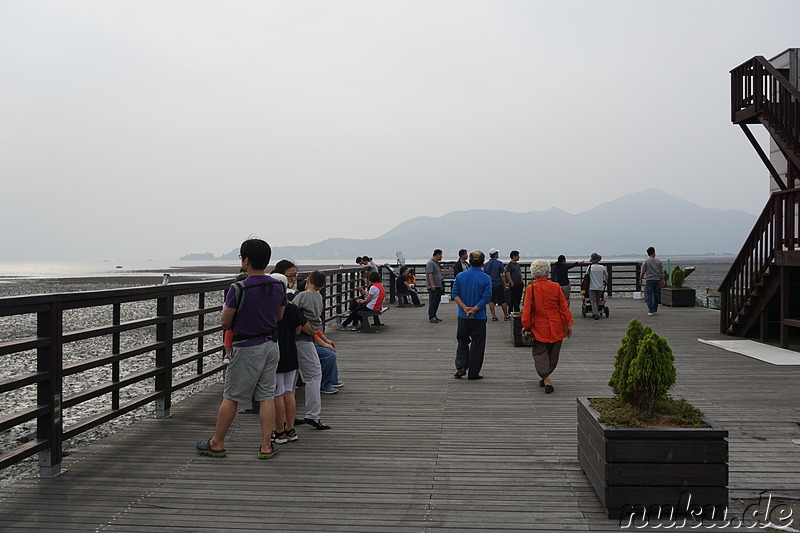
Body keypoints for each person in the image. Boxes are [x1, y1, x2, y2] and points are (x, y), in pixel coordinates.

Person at [195, 238, 286, 460]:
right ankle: (266, 446)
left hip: (246, 346)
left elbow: (226, 322)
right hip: (271, 344)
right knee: (266, 395)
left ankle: (217, 443)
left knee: (232, 395)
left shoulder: (238, 288)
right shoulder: (277, 285)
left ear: (246, 260)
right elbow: (280, 316)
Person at [521, 259, 574, 394]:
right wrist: (568, 323)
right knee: (553, 353)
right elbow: (563, 307)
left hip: (539, 326)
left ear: (534, 273)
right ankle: (546, 377)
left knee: (539, 353)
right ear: (546, 272)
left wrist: (526, 325)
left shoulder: (530, 288)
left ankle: (545, 377)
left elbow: (527, 310)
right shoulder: (555, 286)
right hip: (557, 325)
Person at [292, 271, 333, 429]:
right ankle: (313, 415)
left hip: (297, 338)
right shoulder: (319, 298)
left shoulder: (302, 295)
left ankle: (289, 415)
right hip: (306, 339)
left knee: (291, 379)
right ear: (322, 286)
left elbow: (292, 310)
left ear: (307, 280)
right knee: (314, 375)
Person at [452, 251, 493, 380]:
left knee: (462, 341)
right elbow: (486, 296)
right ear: (483, 262)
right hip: (479, 316)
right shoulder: (486, 278)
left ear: (469, 261)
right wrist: (475, 308)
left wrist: (465, 308)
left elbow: (455, 294)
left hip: (463, 315)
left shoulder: (460, 276)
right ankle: (473, 372)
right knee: (477, 344)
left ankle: (461, 366)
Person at [483, 248, 510, 321]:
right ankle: (506, 315)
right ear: (495, 254)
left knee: (491, 301)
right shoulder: (499, 263)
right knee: (503, 300)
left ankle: (494, 316)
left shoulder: (486, 264)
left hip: (489, 284)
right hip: (498, 284)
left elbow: (484, 275)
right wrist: (505, 284)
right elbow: (502, 275)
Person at [640, 246, 665, 316]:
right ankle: (655, 309)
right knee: (656, 295)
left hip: (649, 280)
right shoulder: (659, 262)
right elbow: (661, 272)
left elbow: (643, 271)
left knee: (649, 295)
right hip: (656, 280)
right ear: (654, 253)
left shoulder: (646, 262)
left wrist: (640, 278)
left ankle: (651, 310)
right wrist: (663, 279)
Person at [586, 253, 608, 320]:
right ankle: (595, 312)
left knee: (593, 300)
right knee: (598, 300)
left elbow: (586, 276)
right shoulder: (602, 267)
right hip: (600, 287)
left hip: (591, 286)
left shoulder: (590, 267)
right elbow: (606, 275)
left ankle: (595, 313)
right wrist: (605, 280)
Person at [426, 249, 444, 323]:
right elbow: (430, 274)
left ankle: (434, 315)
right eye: (441, 255)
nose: (441, 257)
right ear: (437, 255)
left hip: (438, 285)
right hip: (434, 286)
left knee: (437, 301)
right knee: (433, 301)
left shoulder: (436, 263)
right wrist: (432, 284)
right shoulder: (430, 263)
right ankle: (431, 316)